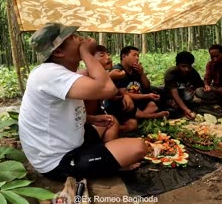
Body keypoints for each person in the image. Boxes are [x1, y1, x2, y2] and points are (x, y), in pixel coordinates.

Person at [18, 23, 147, 182]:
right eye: (73, 37)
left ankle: (109, 159)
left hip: (74, 140)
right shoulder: (48, 73)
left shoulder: (60, 73)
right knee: (140, 147)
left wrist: (90, 119)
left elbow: (55, 114)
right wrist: (87, 52)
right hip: (57, 161)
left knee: (110, 121)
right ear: (58, 51)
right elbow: (108, 88)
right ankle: (110, 161)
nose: (81, 39)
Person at [81, 44, 139, 133]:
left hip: (98, 115)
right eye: (102, 55)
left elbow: (109, 93)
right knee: (114, 124)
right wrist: (109, 77)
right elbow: (94, 90)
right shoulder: (84, 76)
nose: (108, 57)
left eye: (108, 54)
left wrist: (121, 96)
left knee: (131, 123)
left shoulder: (105, 75)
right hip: (83, 122)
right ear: (90, 60)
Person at [111, 46, 169, 119]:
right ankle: (149, 116)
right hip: (127, 102)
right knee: (129, 104)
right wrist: (148, 96)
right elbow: (124, 94)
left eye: (138, 56)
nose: (137, 58)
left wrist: (142, 73)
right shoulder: (119, 70)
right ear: (124, 56)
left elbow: (147, 86)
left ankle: (140, 116)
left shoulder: (136, 70)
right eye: (134, 55)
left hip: (139, 100)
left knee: (154, 103)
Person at [163, 51, 205, 119]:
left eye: (189, 66)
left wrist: (194, 89)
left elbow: (200, 85)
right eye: (183, 66)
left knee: (191, 95)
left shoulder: (192, 72)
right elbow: (175, 95)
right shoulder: (171, 74)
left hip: (186, 97)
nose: (186, 69)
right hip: (171, 97)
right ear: (177, 65)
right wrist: (186, 109)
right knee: (173, 110)